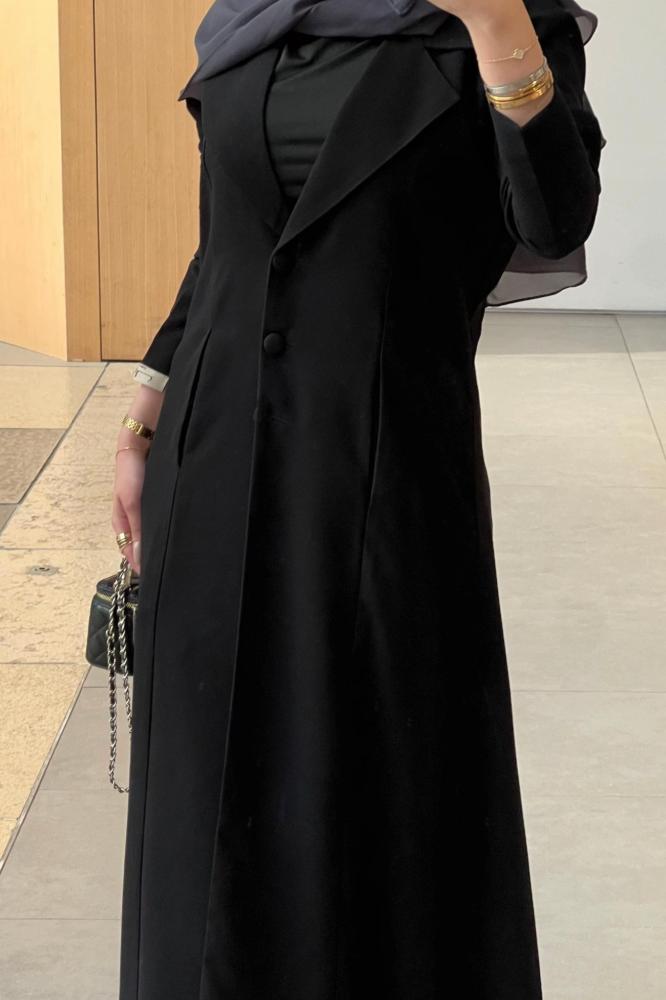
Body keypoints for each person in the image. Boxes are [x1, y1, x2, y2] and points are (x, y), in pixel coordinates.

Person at [112, 1, 604, 997]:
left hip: (387, 469)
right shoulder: (253, 19)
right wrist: (148, 403)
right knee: (208, 789)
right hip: (214, 454)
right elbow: (226, 243)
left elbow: (555, 217)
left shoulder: (509, 23)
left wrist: (492, 21)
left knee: (380, 783)